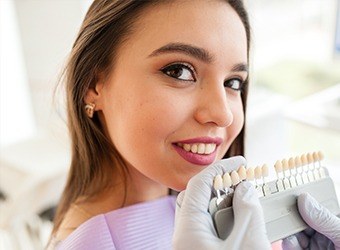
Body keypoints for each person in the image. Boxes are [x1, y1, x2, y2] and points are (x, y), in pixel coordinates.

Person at [48, 0, 340, 249]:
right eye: (179, 71)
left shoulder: (216, 215)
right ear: (93, 85)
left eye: (233, 82)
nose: (223, 114)